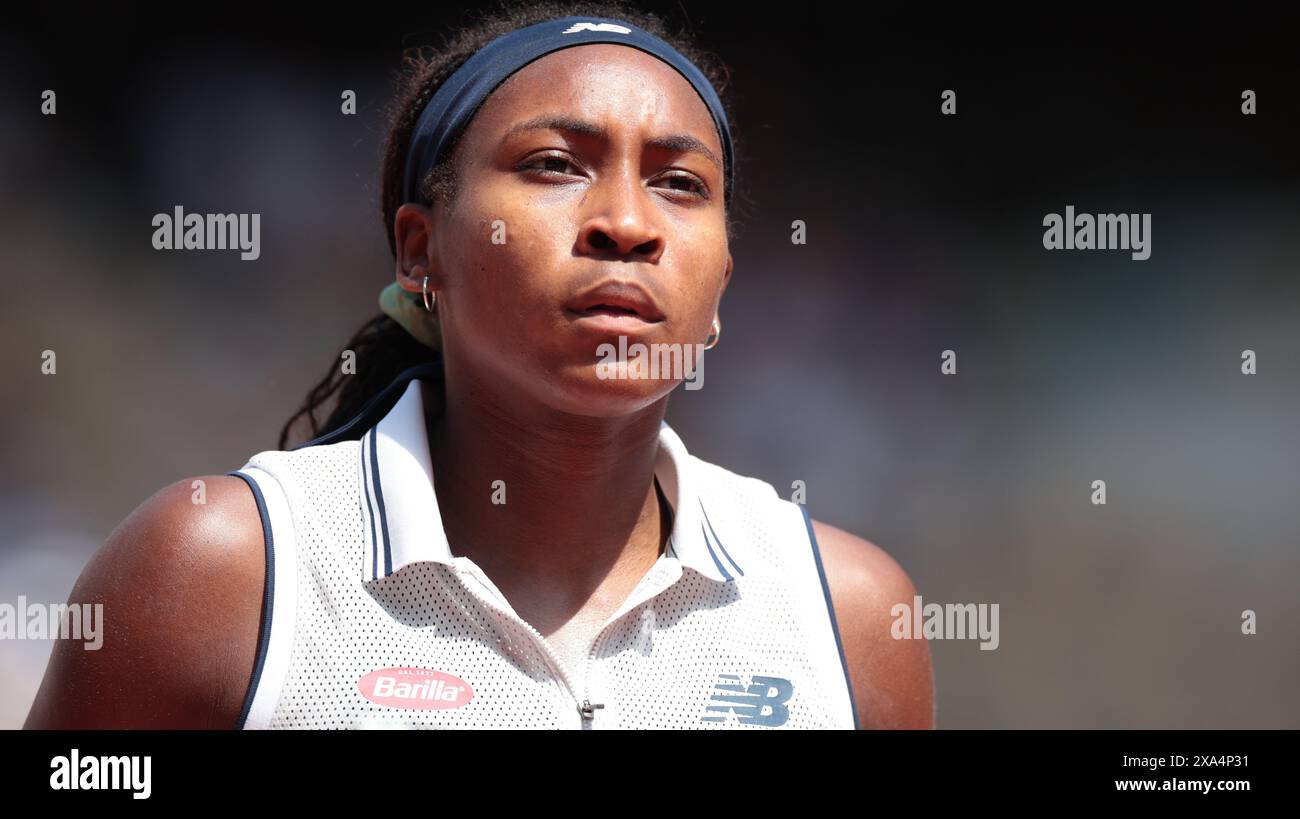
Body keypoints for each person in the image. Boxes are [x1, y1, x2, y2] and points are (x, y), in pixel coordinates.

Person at [24, 2, 933, 730]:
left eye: (679, 182)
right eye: (553, 164)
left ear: (723, 281)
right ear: (421, 253)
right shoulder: (223, 572)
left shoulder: (847, 614)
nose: (628, 222)